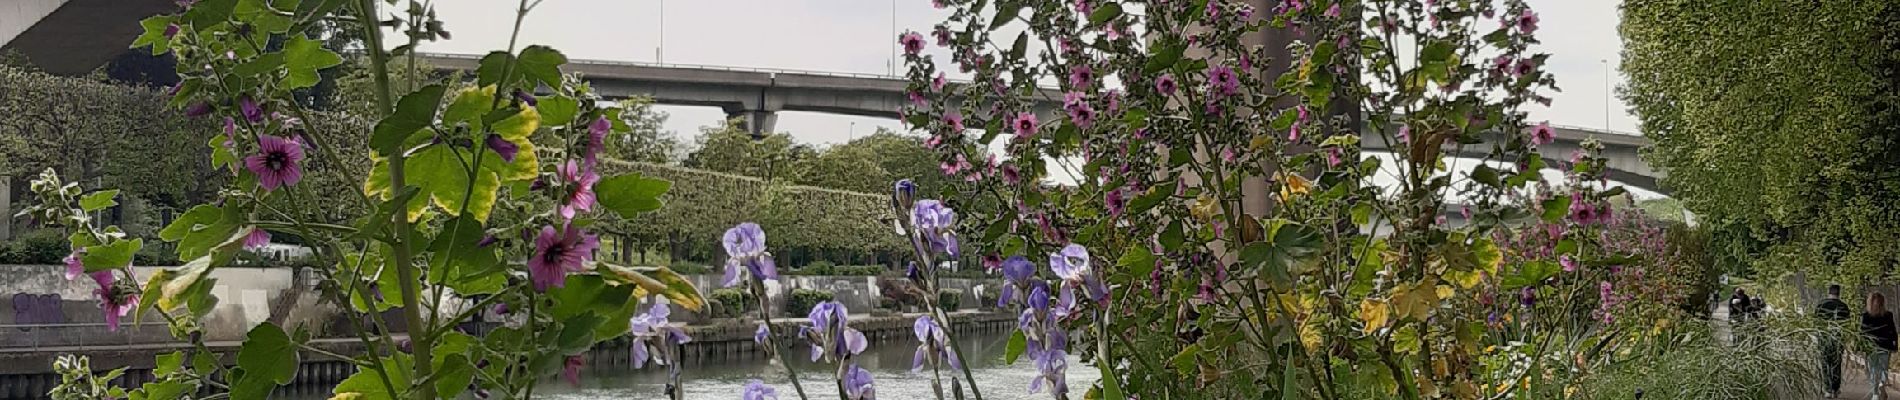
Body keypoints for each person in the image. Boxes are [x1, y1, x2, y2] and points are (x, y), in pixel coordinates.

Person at [1820, 285, 1853, 398]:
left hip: (1824, 338)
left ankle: (1828, 388)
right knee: (1836, 363)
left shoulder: (1821, 305)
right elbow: (1847, 324)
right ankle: (1835, 388)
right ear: (1839, 293)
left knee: (1825, 363)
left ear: (1828, 292)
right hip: (1838, 339)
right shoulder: (1843, 306)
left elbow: (1816, 322)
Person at [1863, 293, 1897, 400]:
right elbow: (1893, 331)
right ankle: (1882, 383)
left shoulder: (1866, 316)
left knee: (1873, 369)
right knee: (1883, 368)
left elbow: (1862, 332)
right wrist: (1895, 344)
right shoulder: (1888, 315)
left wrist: (1860, 346)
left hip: (1871, 346)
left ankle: (1875, 393)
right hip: (1885, 346)